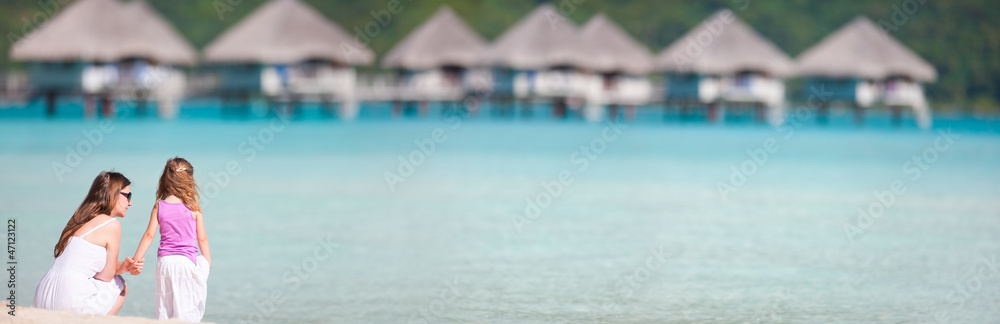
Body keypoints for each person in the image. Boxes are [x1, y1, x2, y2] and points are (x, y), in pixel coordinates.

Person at [33, 171, 140, 315]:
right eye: (128, 196)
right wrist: (120, 270)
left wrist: (124, 266)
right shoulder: (112, 224)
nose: (130, 203)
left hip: (43, 294)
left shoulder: (78, 219)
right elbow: (106, 277)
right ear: (114, 193)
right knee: (119, 284)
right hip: (68, 298)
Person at [131, 157, 211, 322]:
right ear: (189, 180)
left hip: (164, 263)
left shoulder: (159, 206)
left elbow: (149, 235)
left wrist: (136, 259)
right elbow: (202, 238)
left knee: (165, 308)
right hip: (185, 264)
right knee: (186, 308)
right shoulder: (193, 207)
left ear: (165, 180)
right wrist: (208, 262)